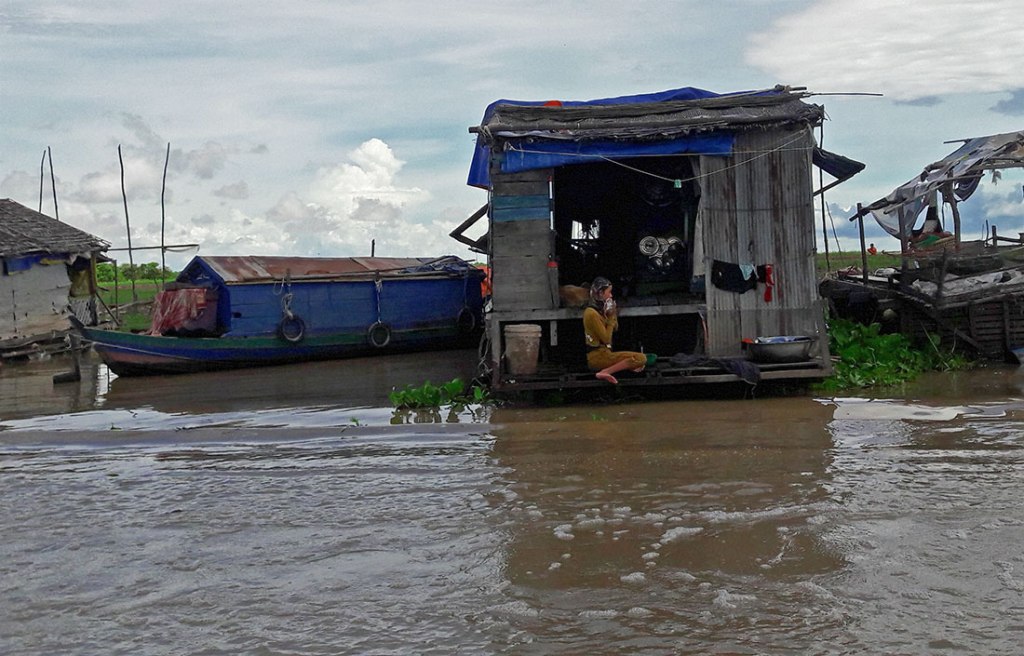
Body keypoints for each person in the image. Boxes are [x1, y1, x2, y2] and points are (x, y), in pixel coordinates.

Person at [583, 277, 647, 384]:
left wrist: (611, 313)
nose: (611, 296)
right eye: (609, 292)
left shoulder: (600, 311)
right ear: (600, 293)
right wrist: (611, 317)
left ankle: (620, 367)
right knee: (641, 358)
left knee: (639, 361)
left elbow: (615, 328)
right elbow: (607, 339)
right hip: (597, 357)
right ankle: (605, 372)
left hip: (606, 353)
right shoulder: (591, 313)